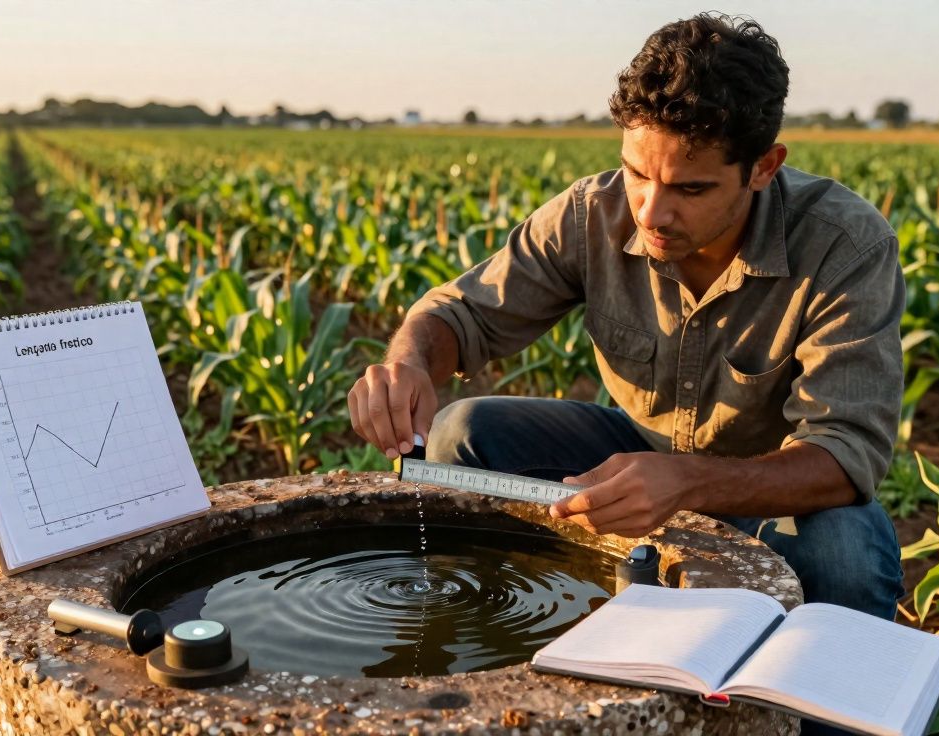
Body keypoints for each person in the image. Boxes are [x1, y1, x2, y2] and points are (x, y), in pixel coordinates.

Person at [347, 13, 905, 628]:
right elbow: (461, 313)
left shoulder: (843, 244)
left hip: (771, 486)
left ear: (764, 167)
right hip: (638, 450)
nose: (653, 211)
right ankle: (497, 636)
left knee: (847, 555)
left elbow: (843, 454)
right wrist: (408, 363)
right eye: (639, 173)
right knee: (462, 433)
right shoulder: (593, 214)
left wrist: (689, 482)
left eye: (691, 190)